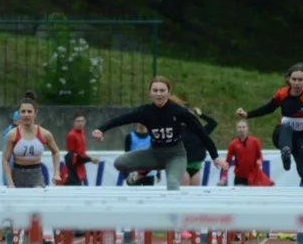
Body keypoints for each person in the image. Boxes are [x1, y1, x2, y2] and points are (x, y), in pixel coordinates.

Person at [92, 76, 227, 191]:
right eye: (155, 90)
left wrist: (215, 157)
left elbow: (202, 133)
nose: (159, 94)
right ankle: (142, 173)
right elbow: (121, 119)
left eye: (162, 90)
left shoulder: (179, 112)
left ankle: (170, 219)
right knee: (119, 163)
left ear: (168, 92)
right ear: (150, 93)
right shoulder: (146, 111)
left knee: (173, 186)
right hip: (154, 154)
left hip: (175, 156)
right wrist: (101, 129)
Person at [236, 62, 303, 185]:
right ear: (288, 79)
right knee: (286, 126)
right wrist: (248, 115)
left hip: (302, 137)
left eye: (300, 80)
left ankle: (300, 190)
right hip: (282, 135)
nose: (297, 83)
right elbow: (268, 108)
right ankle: (286, 152)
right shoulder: (282, 94)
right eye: (294, 79)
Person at [2, 93, 62, 188]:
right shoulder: (12, 134)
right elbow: (5, 159)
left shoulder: (45, 134)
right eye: (23, 111)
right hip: (17, 175)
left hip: (36, 175)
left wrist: (56, 173)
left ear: (35, 113)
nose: (26, 115)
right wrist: (10, 182)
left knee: (37, 198)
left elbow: (56, 151)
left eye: (29, 112)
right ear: (19, 113)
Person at [171, 97, 217, 186]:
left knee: (194, 193)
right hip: (183, 166)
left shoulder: (200, 130)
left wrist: (201, 114)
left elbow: (213, 123)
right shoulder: (178, 129)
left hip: (196, 166)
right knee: (185, 192)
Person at [218, 119, 271, 187]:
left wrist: (259, 161)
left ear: (247, 128)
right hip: (240, 177)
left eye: (243, 127)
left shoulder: (255, 141)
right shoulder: (233, 144)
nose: (241, 129)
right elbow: (227, 162)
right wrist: (224, 177)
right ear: (236, 129)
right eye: (239, 127)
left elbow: (260, 156)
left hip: (254, 176)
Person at [60, 114, 92, 186]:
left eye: (82, 121)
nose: (80, 123)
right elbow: (71, 156)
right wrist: (90, 159)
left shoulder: (82, 133)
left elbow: (82, 152)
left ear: (85, 122)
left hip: (79, 166)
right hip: (73, 168)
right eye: (78, 121)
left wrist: (87, 158)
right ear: (74, 122)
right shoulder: (71, 135)